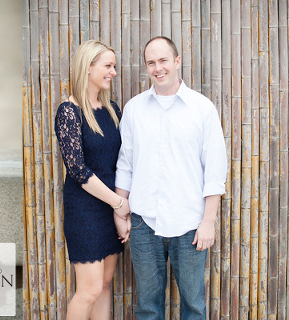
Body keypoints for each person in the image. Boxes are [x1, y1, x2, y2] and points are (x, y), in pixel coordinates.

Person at [114, 36, 227, 319]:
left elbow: (214, 170)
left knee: (193, 306)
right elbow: (125, 164)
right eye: (151, 62)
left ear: (177, 61)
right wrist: (120, 210)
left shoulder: (202, 109)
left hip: (189, 225)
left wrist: (208, 222)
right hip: (143, 224)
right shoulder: (134, 109)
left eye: (163, 60)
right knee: (148, 308)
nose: (157, 67)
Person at [54, 40, 131, 320]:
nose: (113, 72)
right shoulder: (69, 112)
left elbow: (121, 162)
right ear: (88, 67)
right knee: (88, 290)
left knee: (105, 285)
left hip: (111, 209)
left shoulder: (112, 109)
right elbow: (77, 169)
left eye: (114, 66)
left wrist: (118, 209)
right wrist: (118, 203)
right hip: (85, 211)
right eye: (108, 66)